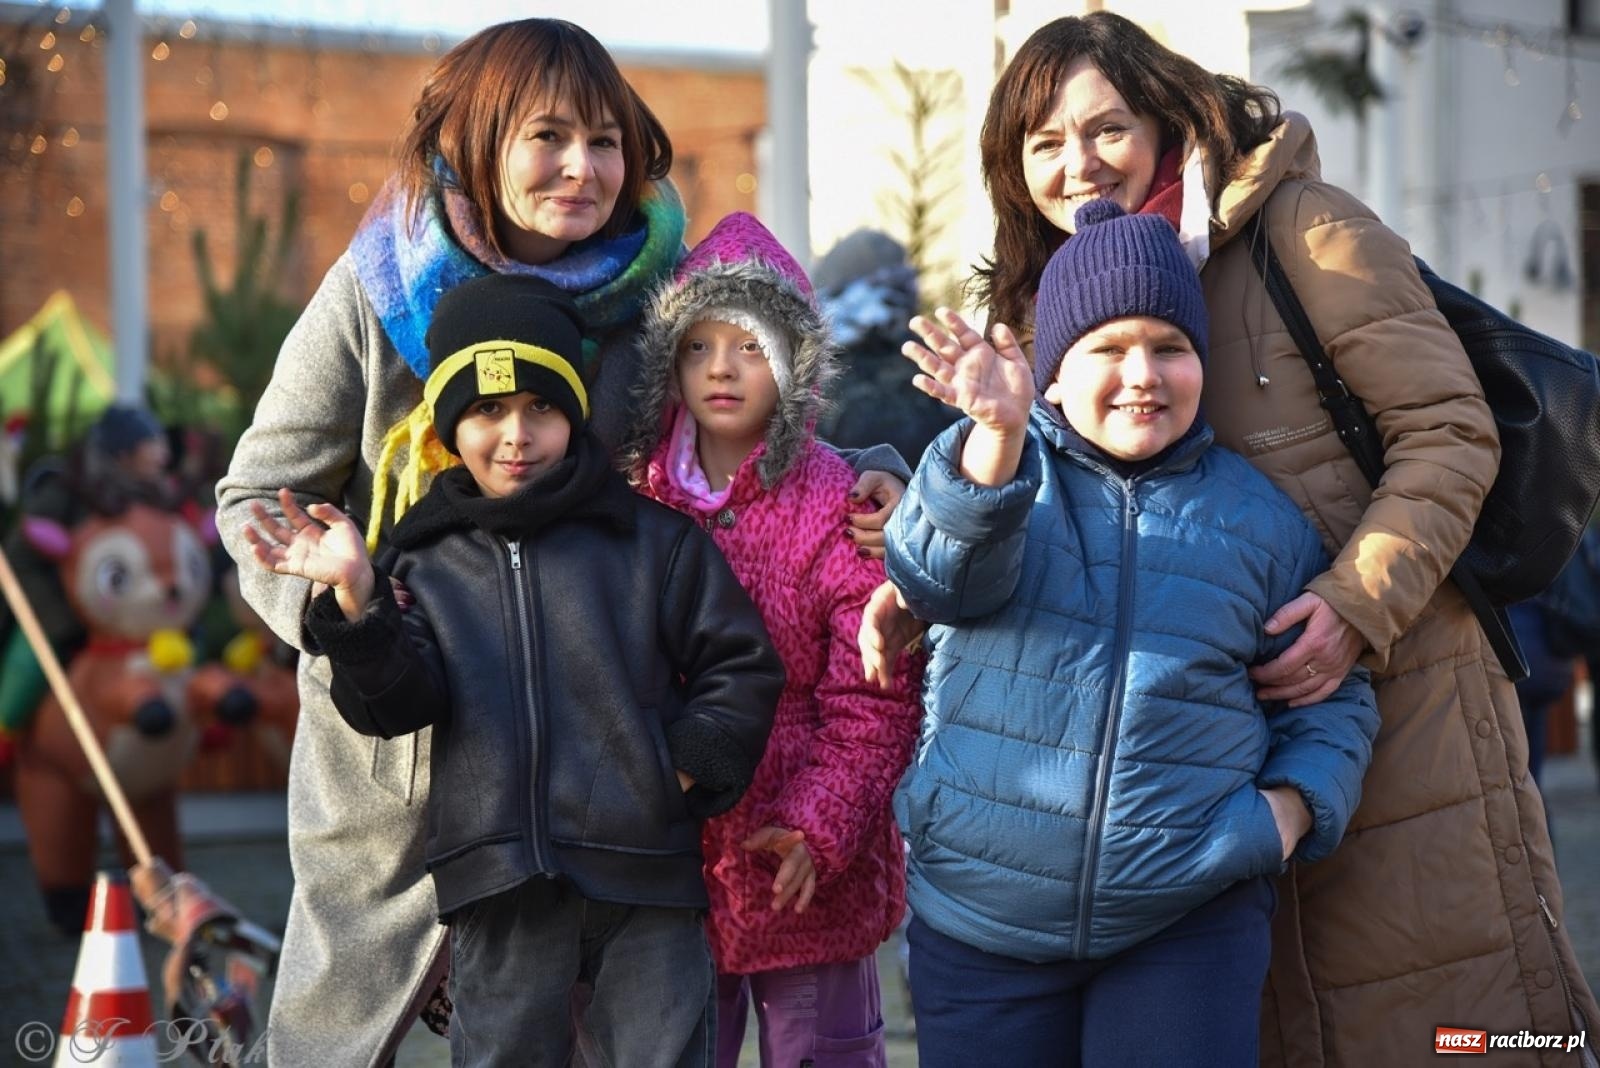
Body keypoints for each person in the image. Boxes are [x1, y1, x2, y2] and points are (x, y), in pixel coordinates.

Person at [864, 12, 1598, 1064]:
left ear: (1166, 120)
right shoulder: (1048, 297)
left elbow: (1447, 430)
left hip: (1390, 698)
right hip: (1186, 775)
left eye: (1104, 127)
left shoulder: (1303, 229)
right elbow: (1035, 503)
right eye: (1042, 144)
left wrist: (1353, 606)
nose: (1077, 165)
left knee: (1442, 1027)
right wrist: (925, 585)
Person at [213, 19, 905, 1063]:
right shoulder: (378, 286)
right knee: (336, 1041)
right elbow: (256, 491)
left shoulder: (648, 303)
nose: (581, 168)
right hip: (393, 755)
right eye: (547, 137)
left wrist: (880, 465)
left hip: (586, 769)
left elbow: (753, 427)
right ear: (480, 142)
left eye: (606, 139)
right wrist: (349, 617)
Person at [882, 199, 1379, 1066]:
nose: (1143, 373)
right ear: (1054, 374)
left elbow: (1332, 695)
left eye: (1170, 347)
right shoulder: (992, 464)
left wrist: (1290, 810)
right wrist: (996, 441)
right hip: (982, 923)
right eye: (1107, 350)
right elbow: (934, 580)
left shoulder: (1261, 522)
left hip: (1185, 925)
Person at [244, 273, 784, 1066]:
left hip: (648, 884)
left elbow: (739, 664)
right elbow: (396, 704)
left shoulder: (651, 542)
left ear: (574, 412)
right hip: (498, 888)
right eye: (487, 412)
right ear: (447, 428)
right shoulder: (423, 559)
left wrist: (685, 770)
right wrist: (360, 601)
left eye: (542, 407)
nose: (516, 436)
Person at [619, 212, 924, 1068]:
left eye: (749, 346)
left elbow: (874, 695)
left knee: (820, 1049)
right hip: (675, 864)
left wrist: (819, 825)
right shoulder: (636, 502)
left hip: (806, 866)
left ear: (793, 360)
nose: (721, 369)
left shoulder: (840, 501)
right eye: (698, 346)